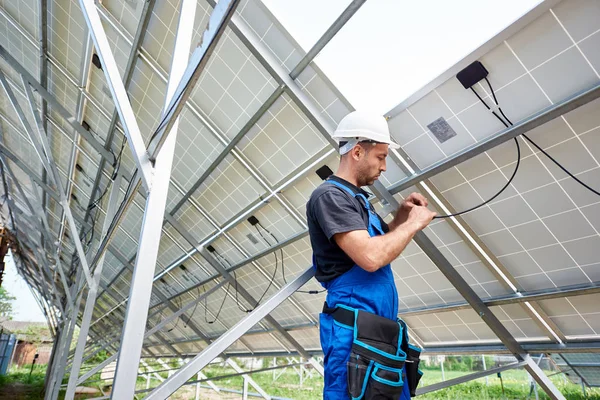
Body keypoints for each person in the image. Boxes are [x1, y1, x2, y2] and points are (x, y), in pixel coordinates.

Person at [306, 111, 437, 399]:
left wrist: (401, 218)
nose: (385, 166)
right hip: (353, 332)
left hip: (378, 330)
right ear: (356, 152)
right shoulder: (331, 196)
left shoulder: (357, 199)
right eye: (380, 157)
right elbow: (369, 257)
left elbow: (378, 242)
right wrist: (414, 225)